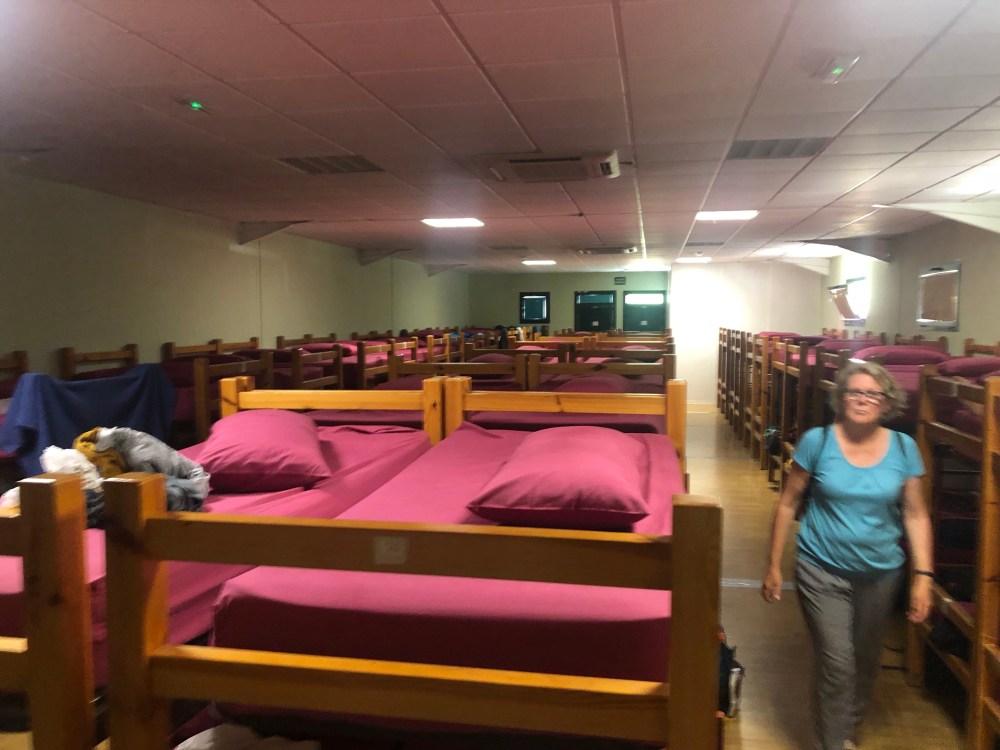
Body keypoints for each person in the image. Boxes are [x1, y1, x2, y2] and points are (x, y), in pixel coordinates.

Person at [762, 361, 933, 750]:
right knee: (837, 661)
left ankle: (845, 727)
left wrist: (924, 576)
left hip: (882, 573)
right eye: (855, 392)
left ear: (886, 402)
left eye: (873, 393)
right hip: (820, 568)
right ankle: (835, 741)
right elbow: (788, 502)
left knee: (866, 660)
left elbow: (915, 514)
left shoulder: (904, 448)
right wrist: (772, 565)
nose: (863, 399)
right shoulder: (818, 442)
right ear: (841, 398)